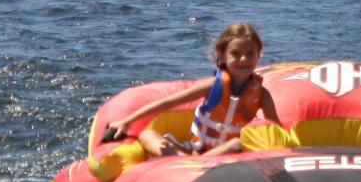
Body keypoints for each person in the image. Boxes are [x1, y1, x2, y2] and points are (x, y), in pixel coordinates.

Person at [103, 22, 279, 158]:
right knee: (147, 134)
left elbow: (275, 130)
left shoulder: (261, 94)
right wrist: (126, 122)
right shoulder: (212, 86)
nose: (243, 59)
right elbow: (166, 103)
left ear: (258, 54)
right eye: (236, 54)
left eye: (250, 54)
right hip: (195, 149)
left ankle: (188, 164)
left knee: (237, 144)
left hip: (230, 154)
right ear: (222, 55)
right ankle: (187, 161)